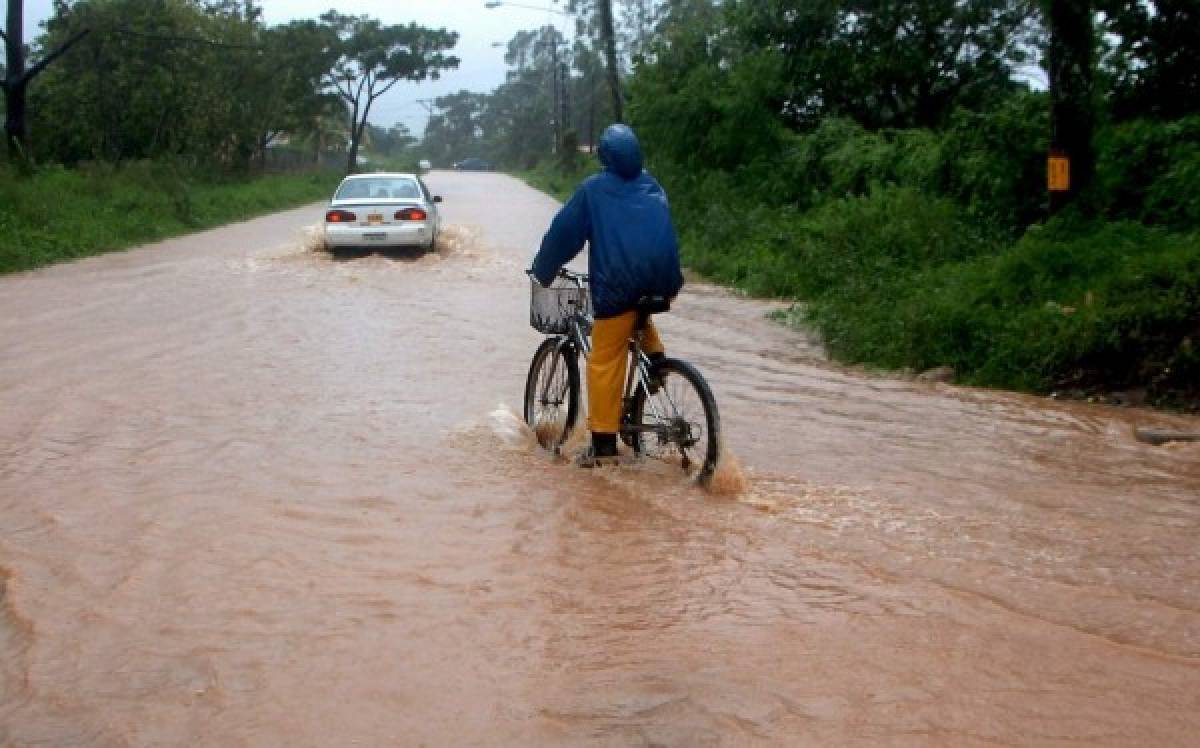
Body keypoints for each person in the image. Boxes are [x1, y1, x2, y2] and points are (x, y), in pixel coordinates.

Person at [531, 124, 685, 466]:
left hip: (618, 286)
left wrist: (543, 269)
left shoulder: (594, 190)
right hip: (662, 282)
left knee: (603, 359)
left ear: (604, 157)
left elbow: (563, 235)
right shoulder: (651, 184)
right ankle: (656, 360)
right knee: (635, 313)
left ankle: (602, 444)